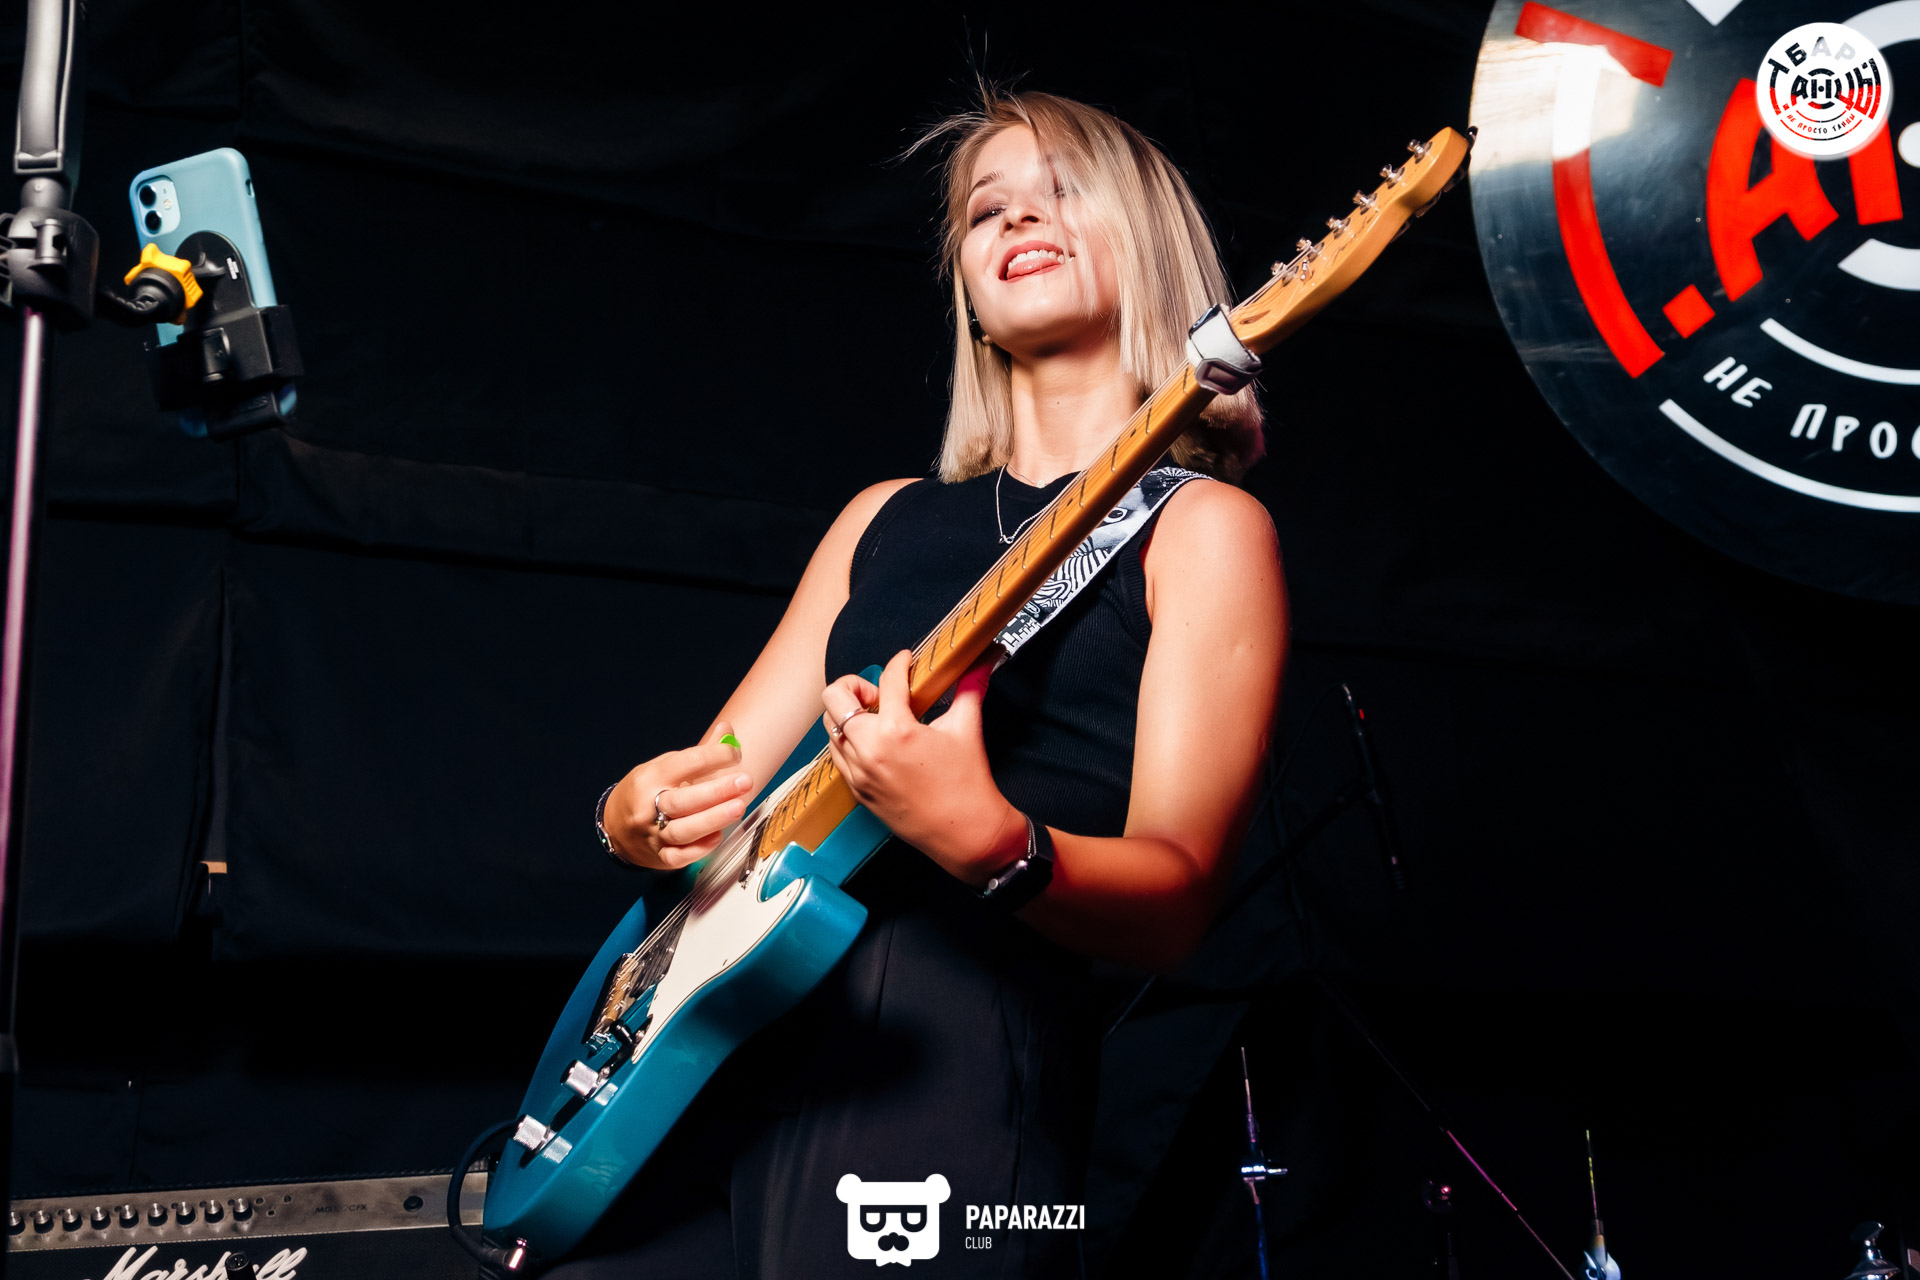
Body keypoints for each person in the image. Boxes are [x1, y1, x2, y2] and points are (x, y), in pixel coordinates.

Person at [556, 87, 1287, 1278]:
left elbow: (1179, 900)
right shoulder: (880, 518)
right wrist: (632, 815)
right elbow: (719, 782)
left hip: (946, 1047)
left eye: (1061, 191)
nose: (1018, 219)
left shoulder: (1203, 527)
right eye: (987, 210)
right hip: (713, 1044)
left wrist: (983, 834)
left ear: (1151, 243)